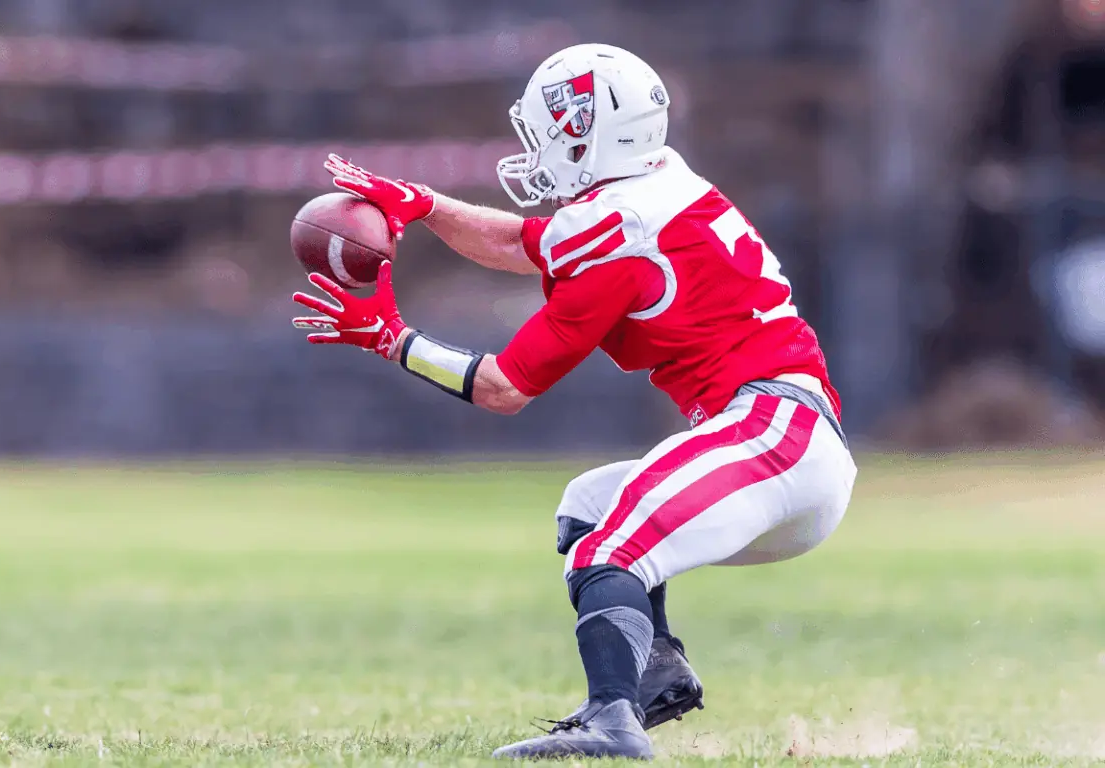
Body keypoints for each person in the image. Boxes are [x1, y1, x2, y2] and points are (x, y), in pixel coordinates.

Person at [292, 43, 858, 760]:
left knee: (609, 547)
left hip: (769, 430)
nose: (537, 149)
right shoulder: (654, 188)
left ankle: (612, 722)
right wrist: (426, 206)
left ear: (587, 134)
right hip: (785, 436)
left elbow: (504, 387)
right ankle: (655, 674)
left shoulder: (620, 230)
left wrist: (392, 340)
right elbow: (532, 243)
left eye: (547, 133)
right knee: (590, 504)